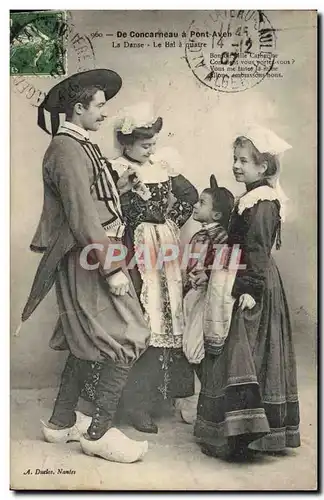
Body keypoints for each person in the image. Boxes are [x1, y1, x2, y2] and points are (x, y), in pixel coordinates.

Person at [21, 70, 151, 463]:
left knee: (87, 339)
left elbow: (89, 199)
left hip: (92, 250)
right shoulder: (66, 149)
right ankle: (98, 433)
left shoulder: (78, 144)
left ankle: (61, 422)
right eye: (99, 106)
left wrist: (121, 189)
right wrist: (112, 268)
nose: (105, 113)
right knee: (128, 333)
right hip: (89, 255)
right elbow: (79, 215)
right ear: (78, 109)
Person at [194, 125, 301, 460]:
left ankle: (243, 436)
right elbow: (242, 241)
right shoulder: (250, 198)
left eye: (243, 160)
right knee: (234, 350)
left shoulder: (264, 201)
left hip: (252, 283)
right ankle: (233, 432)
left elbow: (257, 248)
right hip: (239, 275)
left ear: (263, 167)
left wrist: (250, 289)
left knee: (244, 351)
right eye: (235, 159)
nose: (236, 166)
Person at [110, 103, 199, 433]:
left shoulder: (163, 165)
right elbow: (107, 209)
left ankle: (167, 397)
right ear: (127, 143)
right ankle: (135, 404)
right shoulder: (116, 169)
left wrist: (172, 223)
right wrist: (134, 224)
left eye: (153, 143)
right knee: (141, 319)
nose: (152, 149)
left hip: (164, 247)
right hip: (135, 247)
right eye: (145, 144)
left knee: (169, 316)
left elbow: (189, 195)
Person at [179, 175, 234, 424]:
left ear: (217, 215)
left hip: (207, 298)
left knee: (198, 347)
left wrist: (206, 275)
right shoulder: (199, 236)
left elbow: (223, 266)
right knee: (189, 346)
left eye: (202, 203)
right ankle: (196, 400)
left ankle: (206, 402)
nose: (195, 206)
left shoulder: (221, 237)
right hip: (193, 295)